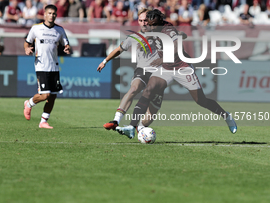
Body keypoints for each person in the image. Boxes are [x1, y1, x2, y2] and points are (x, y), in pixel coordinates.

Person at [115, 9, 238, 139]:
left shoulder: (168, 30)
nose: (150, 26)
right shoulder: (152, 28)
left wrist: (163, 58)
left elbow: (176, 46)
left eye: (153, 24)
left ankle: (226, 116)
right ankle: (132, 127)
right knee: (148, 89)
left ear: (160, 22)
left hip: (182, 67)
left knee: (201, 101)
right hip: (166, 69)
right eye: (149, 24)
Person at [98, 8, 187, 131]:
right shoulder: (134, 37)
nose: (144, 23)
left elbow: (179, 37)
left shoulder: (162, 32)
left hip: (160, 73)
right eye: (141, 20)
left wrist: (180, 35)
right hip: (143, 69)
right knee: (134, 88)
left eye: (146, 20)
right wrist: (105, 61)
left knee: (153, 108)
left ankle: (138, 129)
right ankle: (116, 120)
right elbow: (119, 49)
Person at [23, 4, 71, 129]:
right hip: (41, 65)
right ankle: (29, 103)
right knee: (45, 95)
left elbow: (66, 44)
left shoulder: (59, 30)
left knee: (53, 96)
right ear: (44, 14)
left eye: (54, 13)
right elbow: (27, 43)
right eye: (49, 13)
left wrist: (67, 48)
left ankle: (43, 121)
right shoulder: (36, 28)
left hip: (54, 66)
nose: (52, 15)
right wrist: (27, 49)